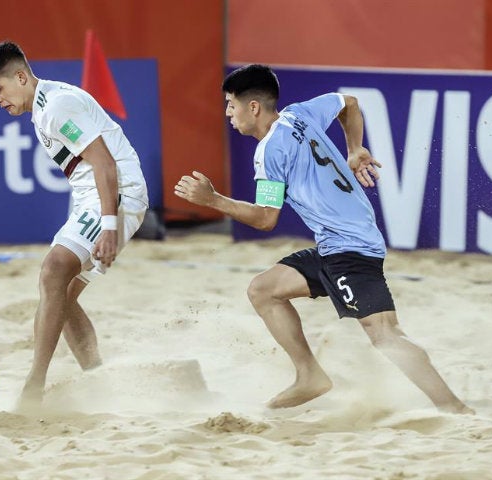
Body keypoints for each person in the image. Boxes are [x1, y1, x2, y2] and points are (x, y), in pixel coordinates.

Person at [174, 64, 472, 413]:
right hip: (336, 244)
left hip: (351, 249)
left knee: (385, 335)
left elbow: (266, 218)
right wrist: (355, 148)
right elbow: (349, 102)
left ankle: (453, 407)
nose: (228, 112)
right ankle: (309, 375)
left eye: (231, 104)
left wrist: (213, 200)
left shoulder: (270, 151)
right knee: (263, 290)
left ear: (253, 107)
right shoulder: (299, 114)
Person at [0, 41, 148, 406]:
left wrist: (109, 226)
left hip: (120, 193)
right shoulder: (44, 105)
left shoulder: (56, 107)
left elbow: (104, 163)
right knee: (62, 297)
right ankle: (98, 379)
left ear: (21, 77)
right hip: (96, 195)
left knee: (54, 270)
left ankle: (33, 385)